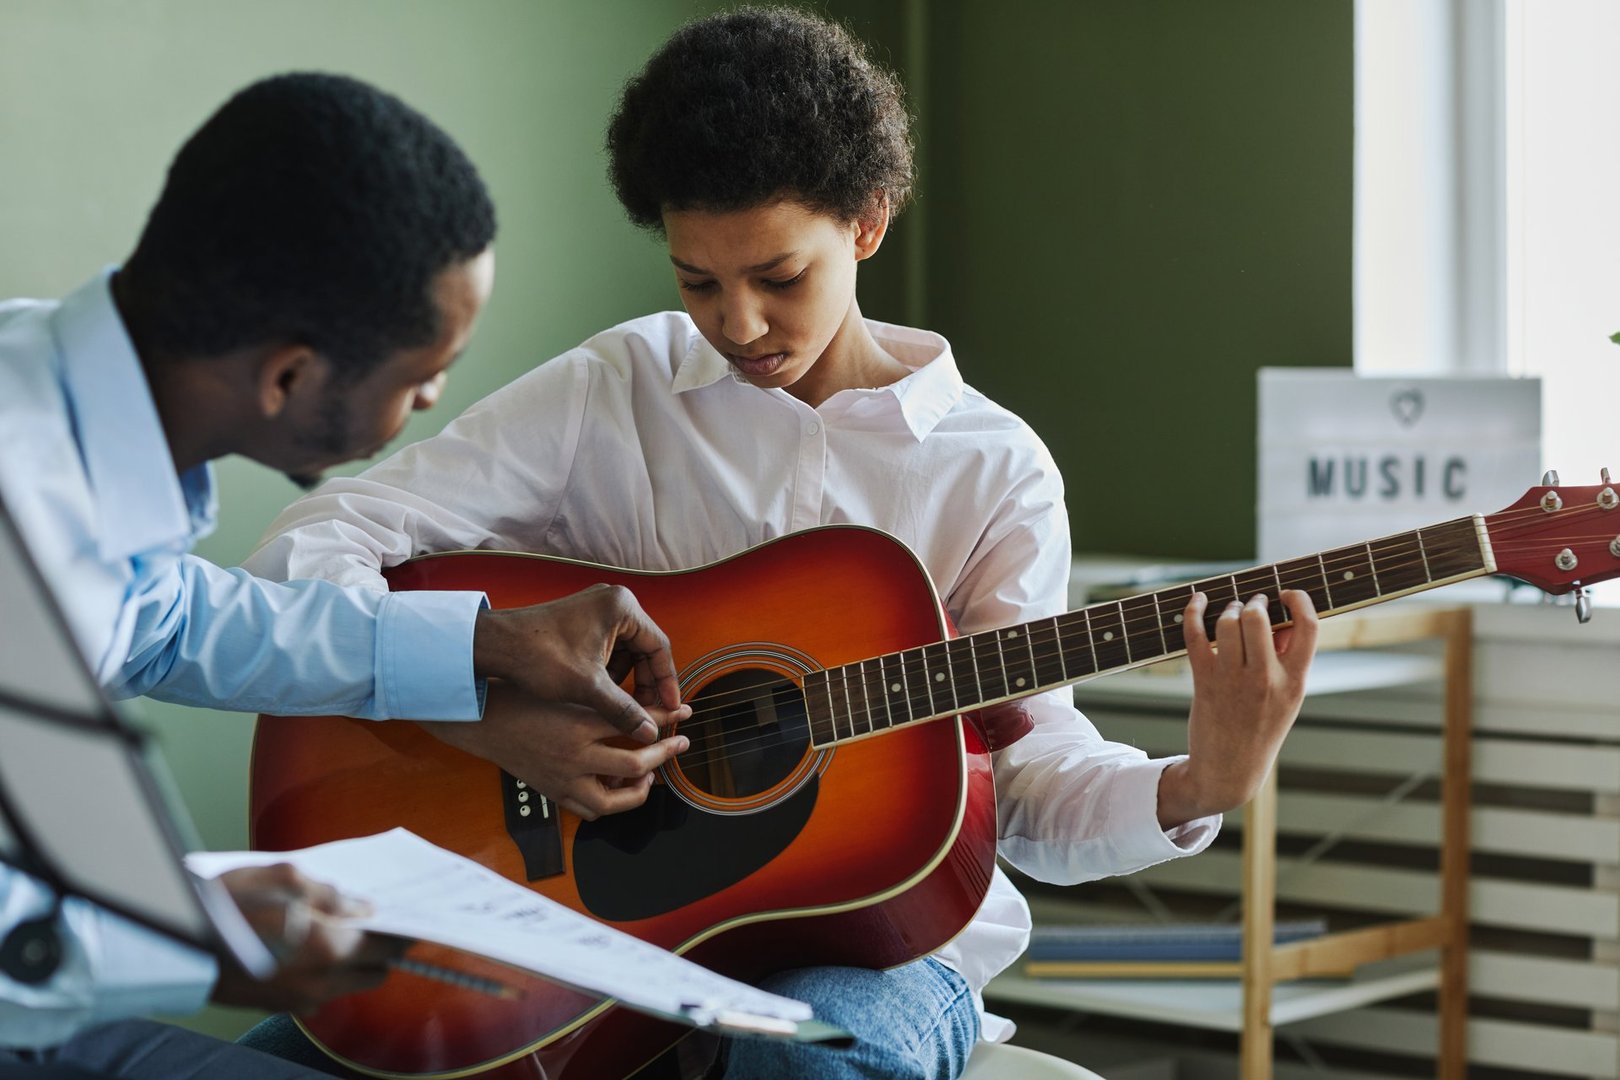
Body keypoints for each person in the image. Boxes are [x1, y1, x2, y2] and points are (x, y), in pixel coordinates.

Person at [243, 10, 1321, 1079]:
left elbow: (1024, 786)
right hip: (596, 919)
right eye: (697, 280)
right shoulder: (616, 389)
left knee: (806, 1068)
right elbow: (315, 540)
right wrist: (480, 703)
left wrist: (1198, 787)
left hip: (883, 949)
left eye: (778, 276)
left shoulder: (994, 470)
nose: (740, 323)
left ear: (867, 223)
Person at [0, 72, 689, 1077]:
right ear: (289, 375)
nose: (434, 399)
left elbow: (162, 620)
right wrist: (196, 937)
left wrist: (484, 643)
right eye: (421, 376)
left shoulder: (63, 411)